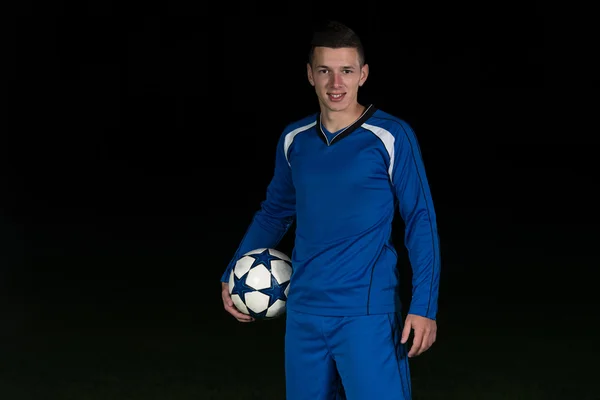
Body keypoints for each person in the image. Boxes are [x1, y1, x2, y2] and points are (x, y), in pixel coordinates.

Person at [220, 20, 441, 400]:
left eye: (346, 71)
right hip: (304, 313)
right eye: (325, 71)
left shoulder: (391, 136)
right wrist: (233, 272)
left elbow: (420, 220)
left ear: (363, 75)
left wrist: (424, 306)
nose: (335, 84)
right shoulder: (295, 139)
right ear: (309, 75)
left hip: (367, 315)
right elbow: (275, 212)